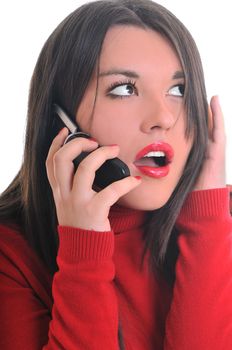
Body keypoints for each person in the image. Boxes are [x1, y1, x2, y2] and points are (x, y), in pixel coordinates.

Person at [0, 0, 231, 349]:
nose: (164, 117)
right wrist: (83, 248)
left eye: (178, 90)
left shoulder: (221, 221)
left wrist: (207, 219)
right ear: (61, 123)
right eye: (124, 89)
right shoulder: (11, 253)